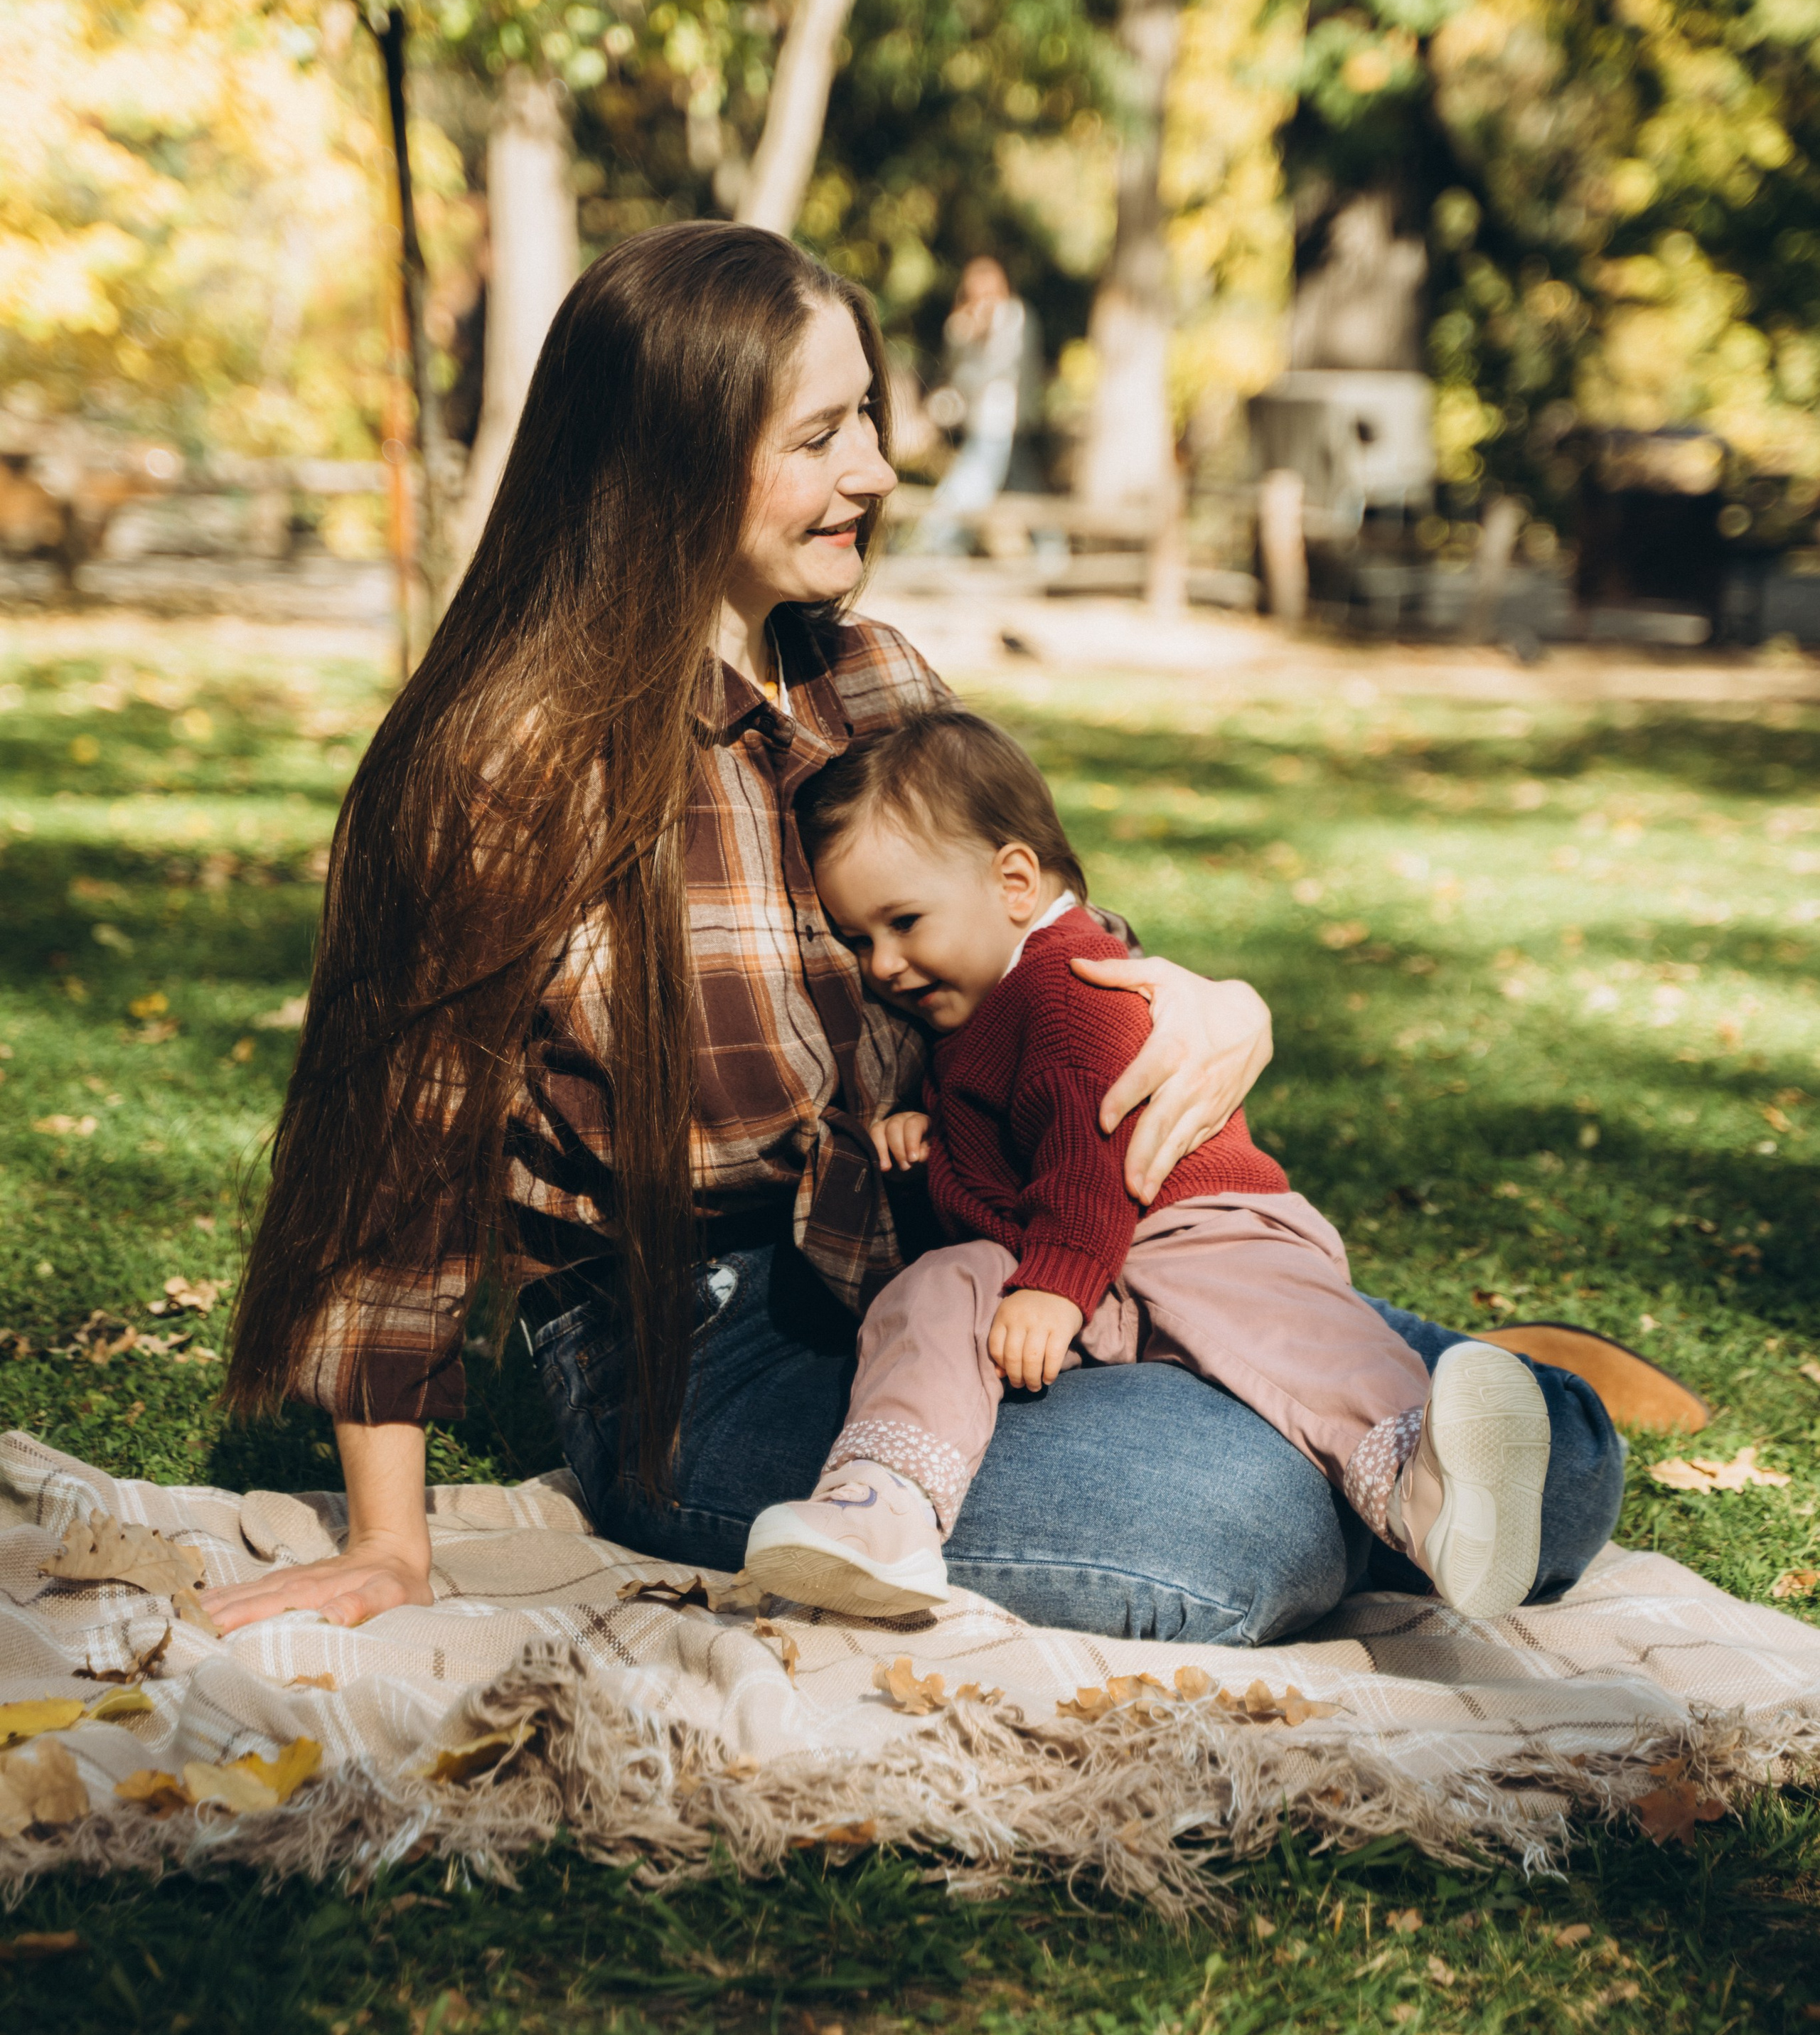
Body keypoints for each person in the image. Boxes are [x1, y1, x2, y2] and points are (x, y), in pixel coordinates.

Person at [204, 222, 1622, 1645]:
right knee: (1244, 1517)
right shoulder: (504, 762)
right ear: (671, 452)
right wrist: (391, 1544)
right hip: (710, 1353)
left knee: (1558, 1448)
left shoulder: (875, 678)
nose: (876, 471)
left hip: (987, 1245)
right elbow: (392, 1172)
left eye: (867, 416)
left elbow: (1029, 956)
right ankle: (1327, 1472)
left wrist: (1210, 1001)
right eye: (820, 434)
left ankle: (1359, 1466)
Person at [745, 710, 1551, 1620]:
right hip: (1073, 1262)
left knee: (1292, 1340)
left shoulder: (1067, 989)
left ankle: (1424, 1479)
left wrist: (1055, 1282)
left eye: (902, 924)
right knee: (934, 1288)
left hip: (1188, 1227)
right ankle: (884, 1501)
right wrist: (924, 1139)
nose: (882, 965)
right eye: (859, 941)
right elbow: (1013, 1140)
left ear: (1014, 881)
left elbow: (1092, 1147)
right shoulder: (983, 1006)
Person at [914, 255, 1046, 555]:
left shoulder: (1017, 318)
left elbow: (998, 372)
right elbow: (956, 379)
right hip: (983, 425)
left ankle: (935, 546)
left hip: (1002, 425)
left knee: (965, 491)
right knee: (1025, 490)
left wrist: (978, 336)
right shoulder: (962, 325)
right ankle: (1052, 554)